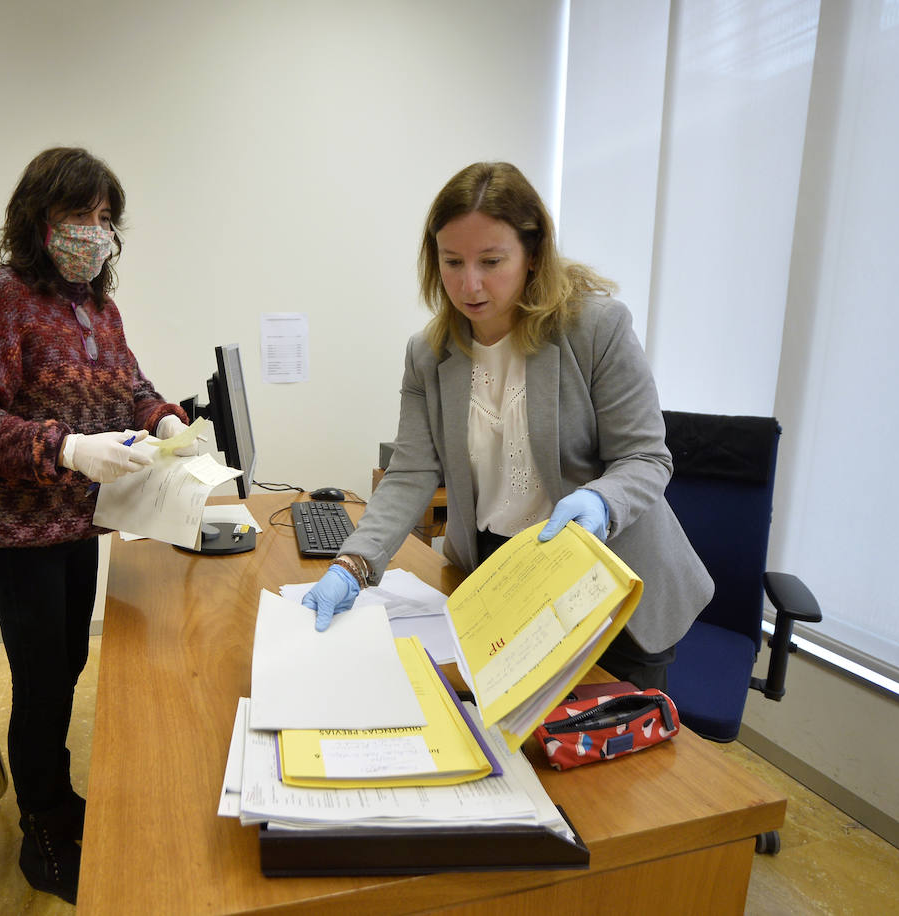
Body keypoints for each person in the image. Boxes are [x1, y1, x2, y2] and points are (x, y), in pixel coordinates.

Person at [301, 161, 711, 691]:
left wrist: (602, 502)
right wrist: (353, 564)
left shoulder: (595, 328)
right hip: (502, 582)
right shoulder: (428, 354)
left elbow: (646, 458)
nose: (469, 284)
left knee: (597, 761)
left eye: (491, 261)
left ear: (533, 254)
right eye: (452, 262)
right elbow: (410, 475)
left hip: (608, 582)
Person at [0, 147, 193, 903]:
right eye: (79, 215)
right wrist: (68, 447)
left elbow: (130, 385)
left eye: (105, 218)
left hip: (81, 521)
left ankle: (56, 792)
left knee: (71, 669)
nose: (94, 231)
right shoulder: (1, 296)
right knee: (44, 679)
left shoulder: (101, 309)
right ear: (39, 220)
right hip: (17, 527)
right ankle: (43, 830)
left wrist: (163, 417)